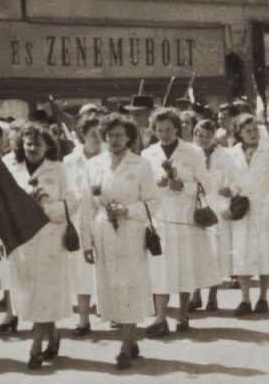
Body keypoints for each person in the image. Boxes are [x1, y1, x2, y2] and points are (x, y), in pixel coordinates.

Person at [80, 114, 160, 370]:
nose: (114, 140)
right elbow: (86, 207)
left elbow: (153, 202)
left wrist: (128, 211)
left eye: (120, 135)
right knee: (112, 288)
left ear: (129, 137)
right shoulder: (93, 165)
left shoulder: (141, 165)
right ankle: (130, 339)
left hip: (131, 234)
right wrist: (87, 243)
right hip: (104, 234)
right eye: (110, 135)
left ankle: (125, 346)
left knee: (129, 287)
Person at [141, 108, 218, 335]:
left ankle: (183, 314)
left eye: (168, 129)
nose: (164, 134)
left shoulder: (192, 152)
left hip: (185, 217)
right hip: (161, 217)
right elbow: (142, 188)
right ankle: (161, 318)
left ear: (177, 128)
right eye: (159, 130)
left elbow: (207, 185)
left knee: (185, 265)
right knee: (160, 267)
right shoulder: (148, 154)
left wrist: (183, 186)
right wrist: (156, 184)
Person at [6, 126, 77, 369]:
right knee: (33, 294)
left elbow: (72, 203)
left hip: (50, 240)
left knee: (44, 292)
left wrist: (44, 210)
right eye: (28, 143)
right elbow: (3, 205)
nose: (32, 148)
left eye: (37, 144)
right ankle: (53, 335)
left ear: (47, 146)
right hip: (22, 241)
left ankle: (35, 348)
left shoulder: (58, 169)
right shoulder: (12, 169)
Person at [225, 114, 269, 315]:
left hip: (265, 209)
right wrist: (232, 193)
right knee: (242, 254)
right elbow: (231, 180)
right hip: (243, 210)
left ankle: (263, 297)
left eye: (255, 130)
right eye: (248, 131)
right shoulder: (232, 154)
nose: (253, 134)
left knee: (264, 254)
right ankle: (245, 299)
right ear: (239, 133)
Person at [190, 119, 235, 310]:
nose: (203, 139)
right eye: (199, 135)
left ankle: (212, 296)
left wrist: (230, 189)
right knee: (197, 253)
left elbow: (235, 179)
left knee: (216, 253)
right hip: (196, 206)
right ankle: (195, 294)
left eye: (207, 136)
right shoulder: (190, 154)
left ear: (214, 136)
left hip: (218, 207)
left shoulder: (225, 155)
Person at [63, 114, 102, 336]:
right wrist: (79, 197)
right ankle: (83, 319)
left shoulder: (109, 158)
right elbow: (66, 191)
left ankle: (113, 313)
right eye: (92, 134)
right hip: (79, 221)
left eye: (100, 134)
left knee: (106, 267)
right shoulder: (70, 161)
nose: (97, 138)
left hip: (103, 219)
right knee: (82, 271)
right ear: (82, 136)